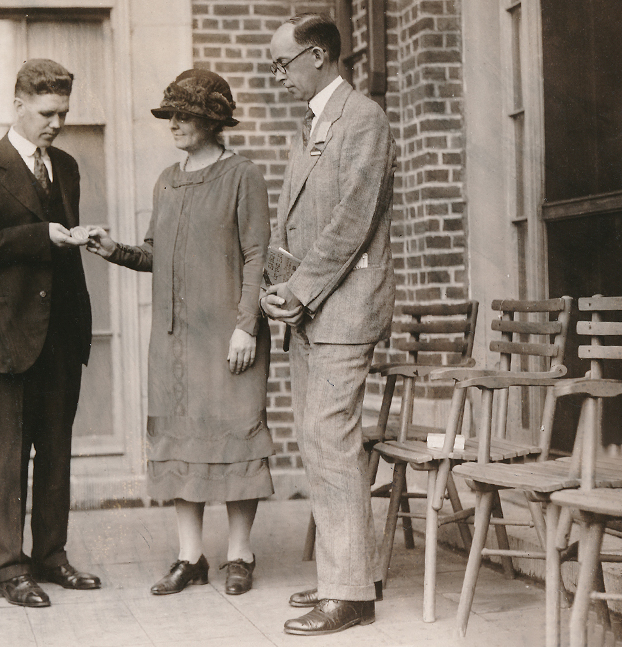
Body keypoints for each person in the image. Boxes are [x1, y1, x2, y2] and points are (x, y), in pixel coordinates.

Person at [86, 69, 275, 597]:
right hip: (174, 342)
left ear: (215, 121)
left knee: (236, 439)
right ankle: (190, 556)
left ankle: (240, 554)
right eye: (171, 114)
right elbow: (155, 252)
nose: (175, 124)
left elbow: (259, 254)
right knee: (181, 444)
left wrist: (246, 328)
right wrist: (113, 249)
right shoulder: (167, 180)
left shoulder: (243, 175)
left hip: (228, 338)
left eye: (186, 115)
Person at [261, 15, 396, 637]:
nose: (277, 75)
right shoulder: (313, 124)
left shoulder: (362, 117)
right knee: (319, 442)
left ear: (317, 56)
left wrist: (298, 289)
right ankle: (342, 575)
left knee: (330, 439)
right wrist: (276, 287)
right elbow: (296, 225)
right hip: (311, 308)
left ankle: (351, 593)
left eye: (282, 64)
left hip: (343, 311)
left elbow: (351, 222)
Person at [0, 59, 100, 608]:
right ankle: (11, 569)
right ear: (17, 105)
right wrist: (39, 236)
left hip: (61, 331)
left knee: (56, 451)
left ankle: (52, 556)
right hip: (8, 334)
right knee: (9, 456)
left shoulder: (67, 165)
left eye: (63, 112)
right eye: (46, 112)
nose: (56, 123)